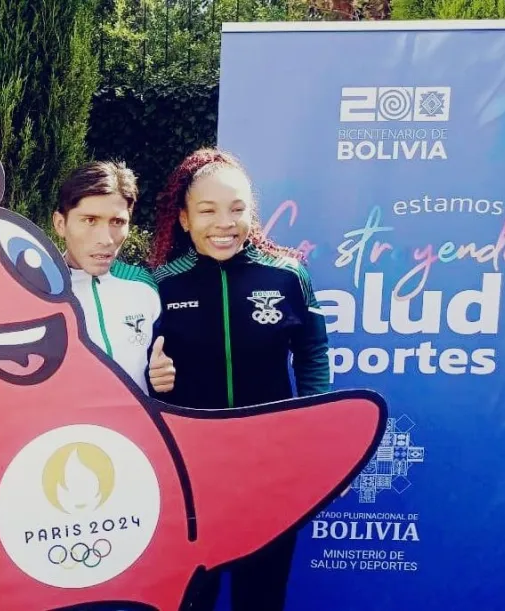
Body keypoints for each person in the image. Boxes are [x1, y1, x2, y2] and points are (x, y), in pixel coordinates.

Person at [148, 148, 330, 610]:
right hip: (190, 471)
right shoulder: (160, 286)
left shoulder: (289, 276)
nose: (224, 222)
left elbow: (312, 353)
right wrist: (153, 380)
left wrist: (314, 428)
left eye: (237, 208)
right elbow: (139, 372)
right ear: (185, 219)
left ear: (252, 213)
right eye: (207, 210)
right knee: (192, 596)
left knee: (262, 596)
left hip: (271, 470)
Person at [53, 161, 175, 395]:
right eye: (90, 220)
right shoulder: (36, 289)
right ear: (61, 224)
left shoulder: (143, 285)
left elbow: (161, 363)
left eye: (117, 222)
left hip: (137, 430)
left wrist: (162, 376)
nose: (106, 239)